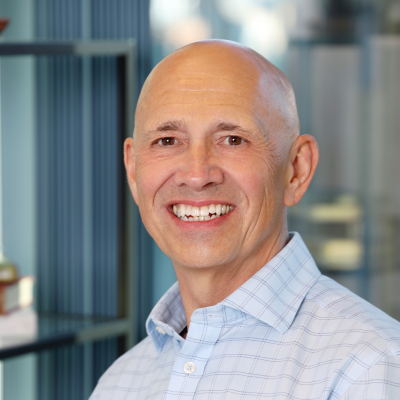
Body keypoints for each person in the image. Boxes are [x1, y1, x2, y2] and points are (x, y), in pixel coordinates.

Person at [90, 40, 400, 400]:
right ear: (133, 170)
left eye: (233, 140)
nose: (197, 175)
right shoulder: (119, 384)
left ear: (296, 170)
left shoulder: (372, 369)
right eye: (168, 141)